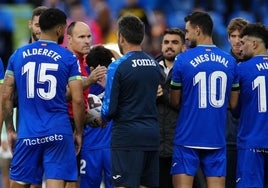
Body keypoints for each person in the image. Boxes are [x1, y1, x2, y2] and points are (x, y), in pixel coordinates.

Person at [2, 8, 85, 188]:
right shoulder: (68, 57)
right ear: (59, 30)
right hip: (59, 132)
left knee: (18, 183)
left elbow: (6, 94)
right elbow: (78, 99)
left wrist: (10, 129)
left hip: (28, 133)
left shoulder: (18, 55)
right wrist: (78, 132)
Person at [169, 11, 239, 188]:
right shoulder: (230, 62)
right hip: (216, 138)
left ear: (198, 30)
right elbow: (233, 103)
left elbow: (174, 101)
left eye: (187, 31)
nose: (186, 36)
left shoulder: (182, 60)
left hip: (187, 137)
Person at [100, 14, 163, 188]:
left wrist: (98, 117)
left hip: (127, 136)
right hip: (151, 134)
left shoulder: (117, 66)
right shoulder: (154, 64)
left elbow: (109, 109)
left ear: (121, 37)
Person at [65, 21, 107, 188]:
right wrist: (89, 81)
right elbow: (65, 95)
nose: (87, 40)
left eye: (89, 36)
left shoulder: (82, 62)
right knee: (67, 177)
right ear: (69, 39)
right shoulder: (67, 60)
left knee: (72, 177)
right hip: (66, 126)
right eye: (81, 37)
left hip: (75, 124)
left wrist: (90, 118)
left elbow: (80, 102)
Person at [234, 22, 268, 188]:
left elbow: (234, 107)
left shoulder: (241, 69)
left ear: (254, 44)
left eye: (244, 42)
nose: (241, 48)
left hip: (252, 142)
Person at [80, 45, 117, 188]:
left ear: (90, 68)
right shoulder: (117, 84)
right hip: (112, 147)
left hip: (89, 147)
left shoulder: (81, 86)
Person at [156, 28, 186, 188]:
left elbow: (187, 105)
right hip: (156, 145)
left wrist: (164, 96)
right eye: (166, 42)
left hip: (180, 144)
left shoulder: (189, 70)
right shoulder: (151, 69)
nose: (169, 46)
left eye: (175, 42)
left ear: (183, 47)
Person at [225, 17, 249, 188]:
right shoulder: (223, 64)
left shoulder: (259, 65)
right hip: (228, 137)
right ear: (228, 38)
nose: (237, 41)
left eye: (241, 36)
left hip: (251, 138)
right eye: (233, 36)